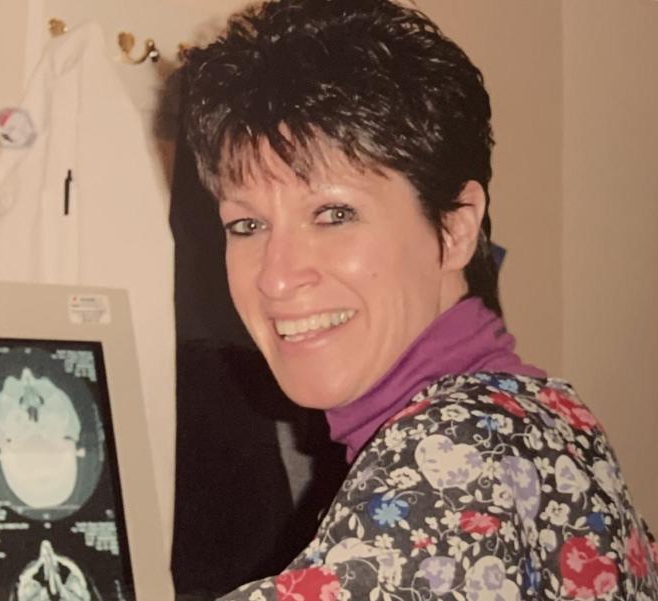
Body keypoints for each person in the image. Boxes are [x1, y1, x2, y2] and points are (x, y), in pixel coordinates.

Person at [178, 0, 658, 599]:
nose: (276, 277)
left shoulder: (449, 463)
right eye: (246, 226)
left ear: (456, 228)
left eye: (334, 214)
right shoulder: (550, 415)